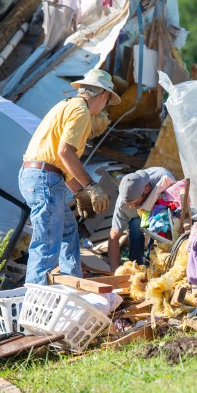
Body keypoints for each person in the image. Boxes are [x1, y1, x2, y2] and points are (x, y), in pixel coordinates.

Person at [18, 68, 119, 284]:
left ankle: (73, 286)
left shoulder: (65, 105)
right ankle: (36, 303)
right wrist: (91, 186)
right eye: (107, 100)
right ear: (102, 95)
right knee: (46, 245)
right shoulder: (81, 111)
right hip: (44, 178)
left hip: (36, 175)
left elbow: (60, 161)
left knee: (67, 230)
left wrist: (80, 192)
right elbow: (65, 152)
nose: (104, 107)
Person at [108, 167, 175, 271]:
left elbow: (177, 210)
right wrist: (114, 270)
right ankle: (137, 264)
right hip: (139, 215)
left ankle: (165, 262)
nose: (131, 207)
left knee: (164, 225)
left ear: (146, 189)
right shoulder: (122, 204)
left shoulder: (163, 179)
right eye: (128, 204)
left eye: (134, 203)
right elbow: (114, 236)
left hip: (161, 207)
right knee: (136, 223)